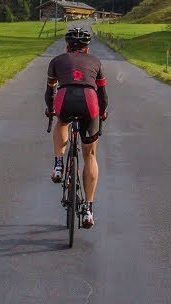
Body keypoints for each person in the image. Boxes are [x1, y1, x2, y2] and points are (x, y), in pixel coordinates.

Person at [45, 25, 107, 228]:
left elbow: (50, 93)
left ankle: (58, 164)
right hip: (89, 102)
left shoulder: (56, 61)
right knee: (90, 155)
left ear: (67, 47)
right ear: (87, 49)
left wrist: (50, 110)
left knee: (62, 121)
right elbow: (102, 95)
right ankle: (88, 210)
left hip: (65, 99)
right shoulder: (96, 61)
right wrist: (102, 113)